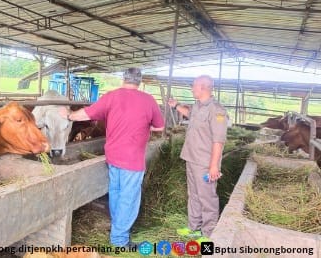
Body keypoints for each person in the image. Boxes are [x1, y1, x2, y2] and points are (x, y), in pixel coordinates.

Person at [60, 67, 164, 248]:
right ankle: (119, 240)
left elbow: (86, 114)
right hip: (133, 160)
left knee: (115, 192)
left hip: (113, 156)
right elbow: (159, 128)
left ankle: (117, 228)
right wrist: (143, 127)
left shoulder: (111, 96)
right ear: (139, 81)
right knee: (128, 197)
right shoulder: (148, 100)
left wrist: (68, 116)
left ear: (124, 79)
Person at [168, 75, 228, 243]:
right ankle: (193, 227)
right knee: (193, 194)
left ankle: (208, 234)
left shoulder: (217, 111)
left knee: (207, 197)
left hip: (205, 163)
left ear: (203, 87)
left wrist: (214, 166)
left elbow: (219, 140)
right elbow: (190, 114)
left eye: (194, 86)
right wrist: (177, 106)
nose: (192, 89)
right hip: (191, 157)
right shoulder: (197, 105)